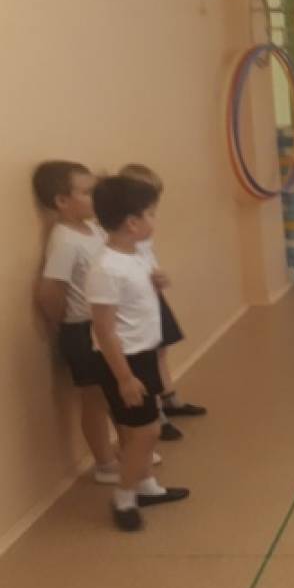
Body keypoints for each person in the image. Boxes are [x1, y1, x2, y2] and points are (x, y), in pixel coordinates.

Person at [86, 175, 190, 531]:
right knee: (146, 433)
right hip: (124, 362)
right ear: (132, 223)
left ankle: (145, 486)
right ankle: (124, 498)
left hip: (142, 355)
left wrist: (157, 283)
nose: (153, 220)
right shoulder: (106, 268)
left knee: (136, 432)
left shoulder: (135, 254)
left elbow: (135, 302)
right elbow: (104, 329)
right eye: (150, 214)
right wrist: (125, 378)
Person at [33, 161, 118, 483]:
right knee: (93, 398)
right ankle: (105, 463)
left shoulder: (94, 229)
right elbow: (49, 291)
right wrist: (66, 324)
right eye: (87, 192)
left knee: (114, 389)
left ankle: (127, 447)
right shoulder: (65, 240)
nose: (96, 197)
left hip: (103, 326)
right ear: (62, 201)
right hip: (81, 328)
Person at [118, 164, 206, 442]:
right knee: (147, 356)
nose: (152, 212)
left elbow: (145, 257)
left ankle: (169, 398)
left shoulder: (143, 229)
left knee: (161, 350)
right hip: (137, 302)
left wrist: (158, 277)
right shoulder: (121, 231)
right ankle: (156, 410)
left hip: (152, 294)